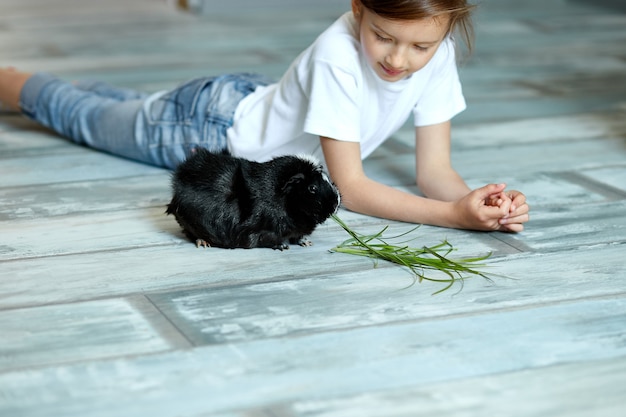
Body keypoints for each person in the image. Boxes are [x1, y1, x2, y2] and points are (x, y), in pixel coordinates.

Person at [0, 0, 529, 232]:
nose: (398, 60)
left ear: (446, 31)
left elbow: (433, 172)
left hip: (247, 100)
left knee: (111, 108)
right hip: (206, 124)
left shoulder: (438, 54)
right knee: (82, 118)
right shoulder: (336, 54)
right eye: (383, 37)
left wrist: (478, 202)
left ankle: (74, 91)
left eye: (420, 46)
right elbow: (353, 188)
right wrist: (451, 217)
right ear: (357, 8)